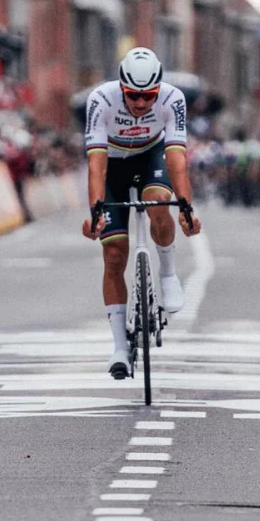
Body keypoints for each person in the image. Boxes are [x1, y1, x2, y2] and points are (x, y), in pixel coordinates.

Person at [81, 46, 202, 380]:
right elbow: (96, 164)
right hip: (113, 167)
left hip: (151, 158)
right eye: (133, 96)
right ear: (121, 88)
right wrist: (95, 210)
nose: (140, 104)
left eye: (148, 96)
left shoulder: (173, 98)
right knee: (114, 254)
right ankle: (120, 347)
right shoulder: (101, 100)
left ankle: (167, 273)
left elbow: (177, 157)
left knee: (160, 200)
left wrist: (186, 205)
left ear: (158, 90)